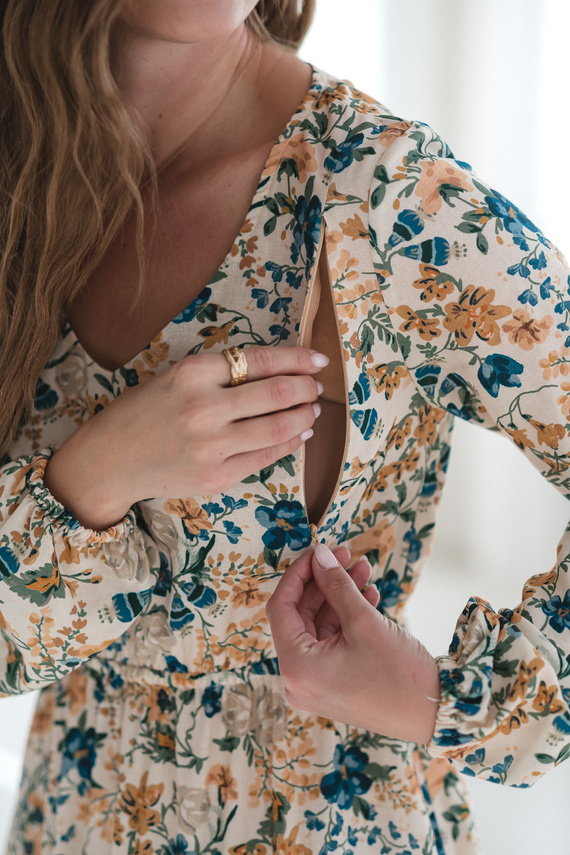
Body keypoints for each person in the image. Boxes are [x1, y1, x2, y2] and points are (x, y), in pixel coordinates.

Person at [1, 1, 570, 853]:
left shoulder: (380, 196)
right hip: (69, 820)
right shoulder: (21, 180)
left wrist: (450, 700)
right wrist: (98, 473)